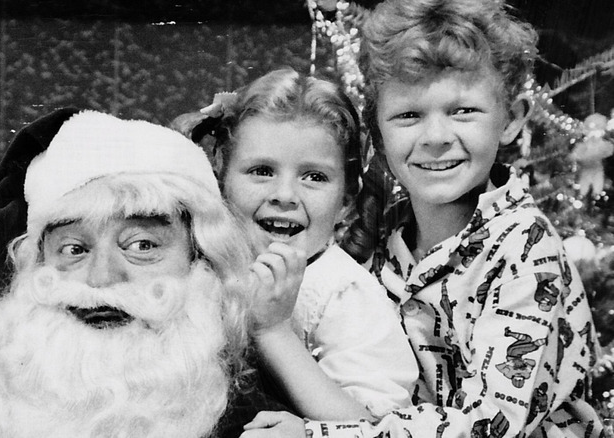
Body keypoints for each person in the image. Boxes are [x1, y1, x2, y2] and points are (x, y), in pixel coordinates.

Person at [239, 0, 607, 437]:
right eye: (408, 115)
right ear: (378, 132)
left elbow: (488, 426)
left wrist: (313, 435)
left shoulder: (526, 253)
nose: (435, 138)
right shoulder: (384, 238)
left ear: (511, 119)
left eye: (463, 111)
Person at [0, 110, 282, 437]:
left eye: (141, 245)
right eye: (75, 249)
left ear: (201, 259)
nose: (102, 277)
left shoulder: (258, 426)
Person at [175, 68, 418, 423]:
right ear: (222, 177)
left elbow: (374, 427)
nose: (285, 195)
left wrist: (273, 330)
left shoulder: (344, 294)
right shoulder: (201, 267)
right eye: (262, 171)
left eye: (314, 177)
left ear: (346, 200)